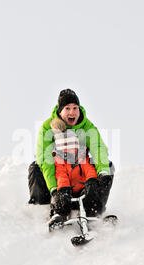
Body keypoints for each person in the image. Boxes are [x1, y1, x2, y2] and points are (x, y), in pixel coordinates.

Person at [28, 89, 114, 219]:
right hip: (60, 186)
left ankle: (95, 209)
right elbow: (46, 160)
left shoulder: (86, 126)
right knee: (36, 167)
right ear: (60, 111)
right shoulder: (48, 128)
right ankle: (43, 209)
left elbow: (98, 149)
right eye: (67, 108)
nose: (72, 112)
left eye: (75, 108)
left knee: (107, 167)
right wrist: (55, 190)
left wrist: (100, 176)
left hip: (82, 185)